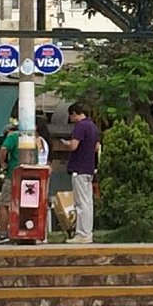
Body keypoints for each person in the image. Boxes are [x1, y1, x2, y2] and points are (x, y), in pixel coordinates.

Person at [65, 102, 98, 244]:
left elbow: (74, 146)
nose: (70, 118)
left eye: (70, 115)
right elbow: (96, 147)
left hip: (79, 168)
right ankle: (87, 232)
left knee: (81, 203)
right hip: (89, 167)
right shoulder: (93, 126)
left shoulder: (80, 127)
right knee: (88, 202)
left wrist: (66, 144)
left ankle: (82, 234)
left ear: (74, 113)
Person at [0, 117, 19, 242]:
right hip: (30, 175)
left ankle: (3, 233)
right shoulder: (32, 137)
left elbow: (3, 149)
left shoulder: (12, 136)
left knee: (4, 203)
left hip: (13, 174)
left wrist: (2, 163)